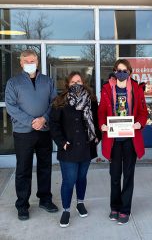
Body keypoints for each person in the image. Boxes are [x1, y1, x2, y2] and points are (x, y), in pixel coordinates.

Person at [5, 49, 58, 221]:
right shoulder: (13, 83)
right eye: (26, 61)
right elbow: (11, 107)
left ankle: (45, 199)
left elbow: (55, 103)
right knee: (23, 170)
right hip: (23, 133)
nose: (30, 63)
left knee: (45, 167)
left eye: (32, 60)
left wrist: (44, 119)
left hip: (44, 131)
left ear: (37, 62)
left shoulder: (47, 81)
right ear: (21, 63)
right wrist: (31, 121)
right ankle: (22, 205)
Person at [98, 59, 148, 225]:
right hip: (113, 140)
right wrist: (102, 125)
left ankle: (125, 209)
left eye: (124, 70)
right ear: (114, 71)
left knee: (128, 176)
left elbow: (143, 112)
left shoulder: (136, 89)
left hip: (130, 140)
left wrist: (139, 123)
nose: (121, 73)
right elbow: (101, 113)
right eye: (118, 70)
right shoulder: (106, 89)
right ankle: (115, 207)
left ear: (129, 72)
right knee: (114, 175)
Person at [49, 71, 101, 228]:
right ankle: (66, 210)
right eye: (73, 82)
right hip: (68, 148)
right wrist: (62, 142)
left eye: (79, 81)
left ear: (83, 82)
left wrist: (97, 137)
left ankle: (80, 203)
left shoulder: (91, 100)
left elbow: (97, 120)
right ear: (67, 84)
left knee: (81, 178)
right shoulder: (60, 101)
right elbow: (54, 124)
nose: (76, 84)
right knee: (68, 181)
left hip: (86, 147)